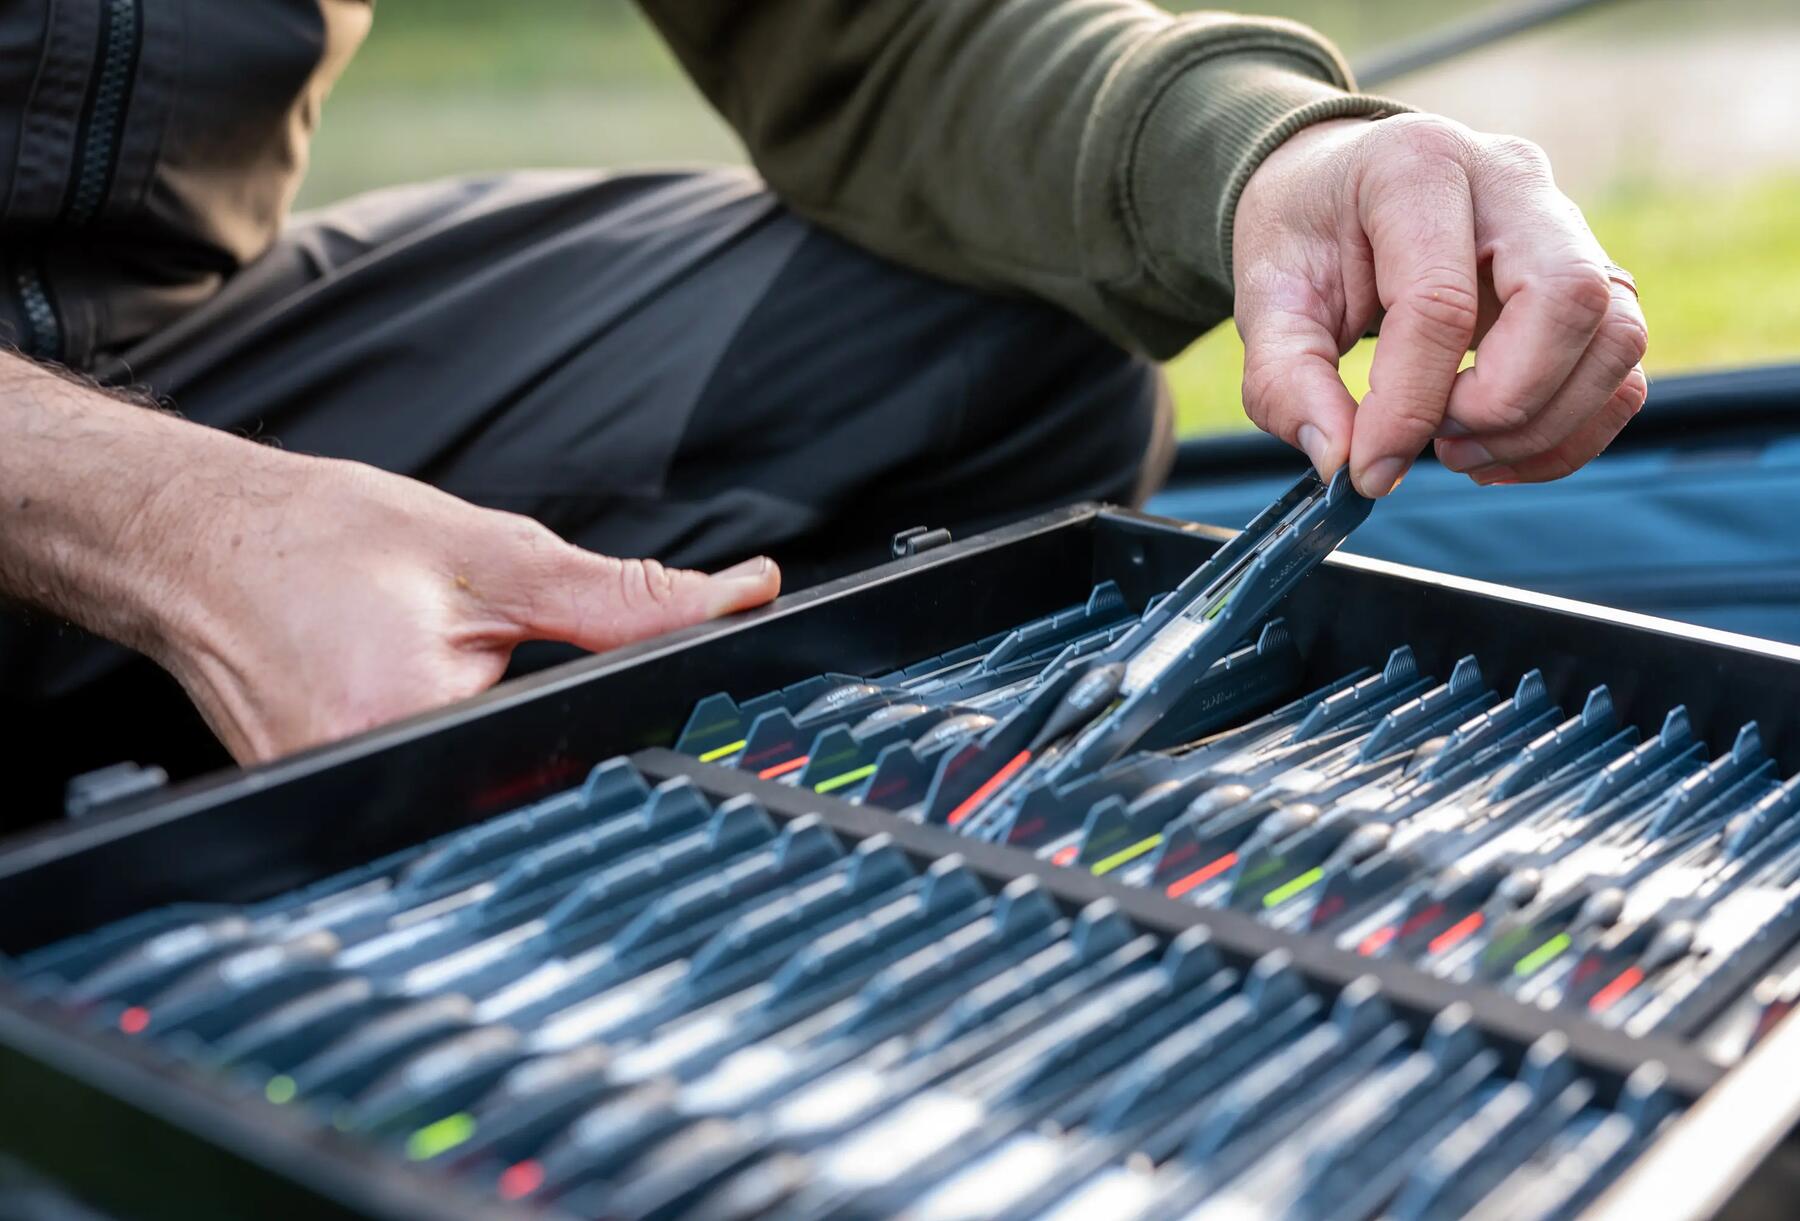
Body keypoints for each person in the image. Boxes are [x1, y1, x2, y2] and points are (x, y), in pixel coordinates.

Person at [0, 1, 1647, 822]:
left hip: (170, 351)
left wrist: (1270, 155)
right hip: (83, 449)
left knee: (1006, 327)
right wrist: (173, 524)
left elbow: (865, 36)